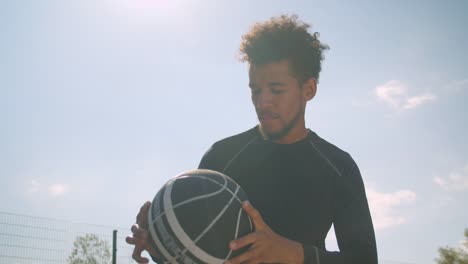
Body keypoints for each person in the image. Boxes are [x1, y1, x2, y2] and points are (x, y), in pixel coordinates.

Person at [126, 14, 378, 264]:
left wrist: (290, 252)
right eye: (255, 90)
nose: (262, 101)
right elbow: (196, 251)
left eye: (276, 90)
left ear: (308, 89)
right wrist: (159, 244)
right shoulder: (222, 155)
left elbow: (365, 259)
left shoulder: (338, 166)